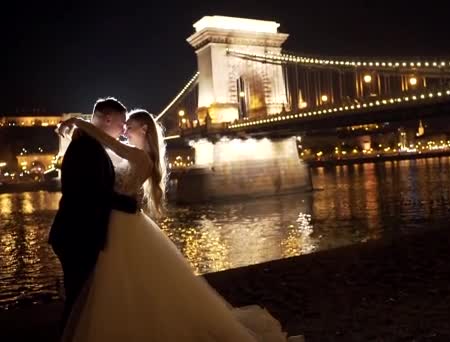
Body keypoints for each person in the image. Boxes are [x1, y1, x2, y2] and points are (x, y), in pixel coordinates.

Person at [57, 109, 302, 341]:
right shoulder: (132, 152)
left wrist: (80, 122)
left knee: (122, 276)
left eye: (129, 127)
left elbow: (107, 143)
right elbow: (103, 151)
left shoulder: (140, 156)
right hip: (121, 222)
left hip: (124, 226)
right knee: (136, 280)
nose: (124, 131)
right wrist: (76, 135)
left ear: (143, 129)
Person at [48, 97, 137, 330]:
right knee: (80, 300)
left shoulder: (88, 144)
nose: (124, 128)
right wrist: (131, 205)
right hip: (77, 236)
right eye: (122, 122)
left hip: (75, 233)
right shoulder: (87, 147)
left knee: (82, 298)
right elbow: (92, 193)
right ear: (108, 119)